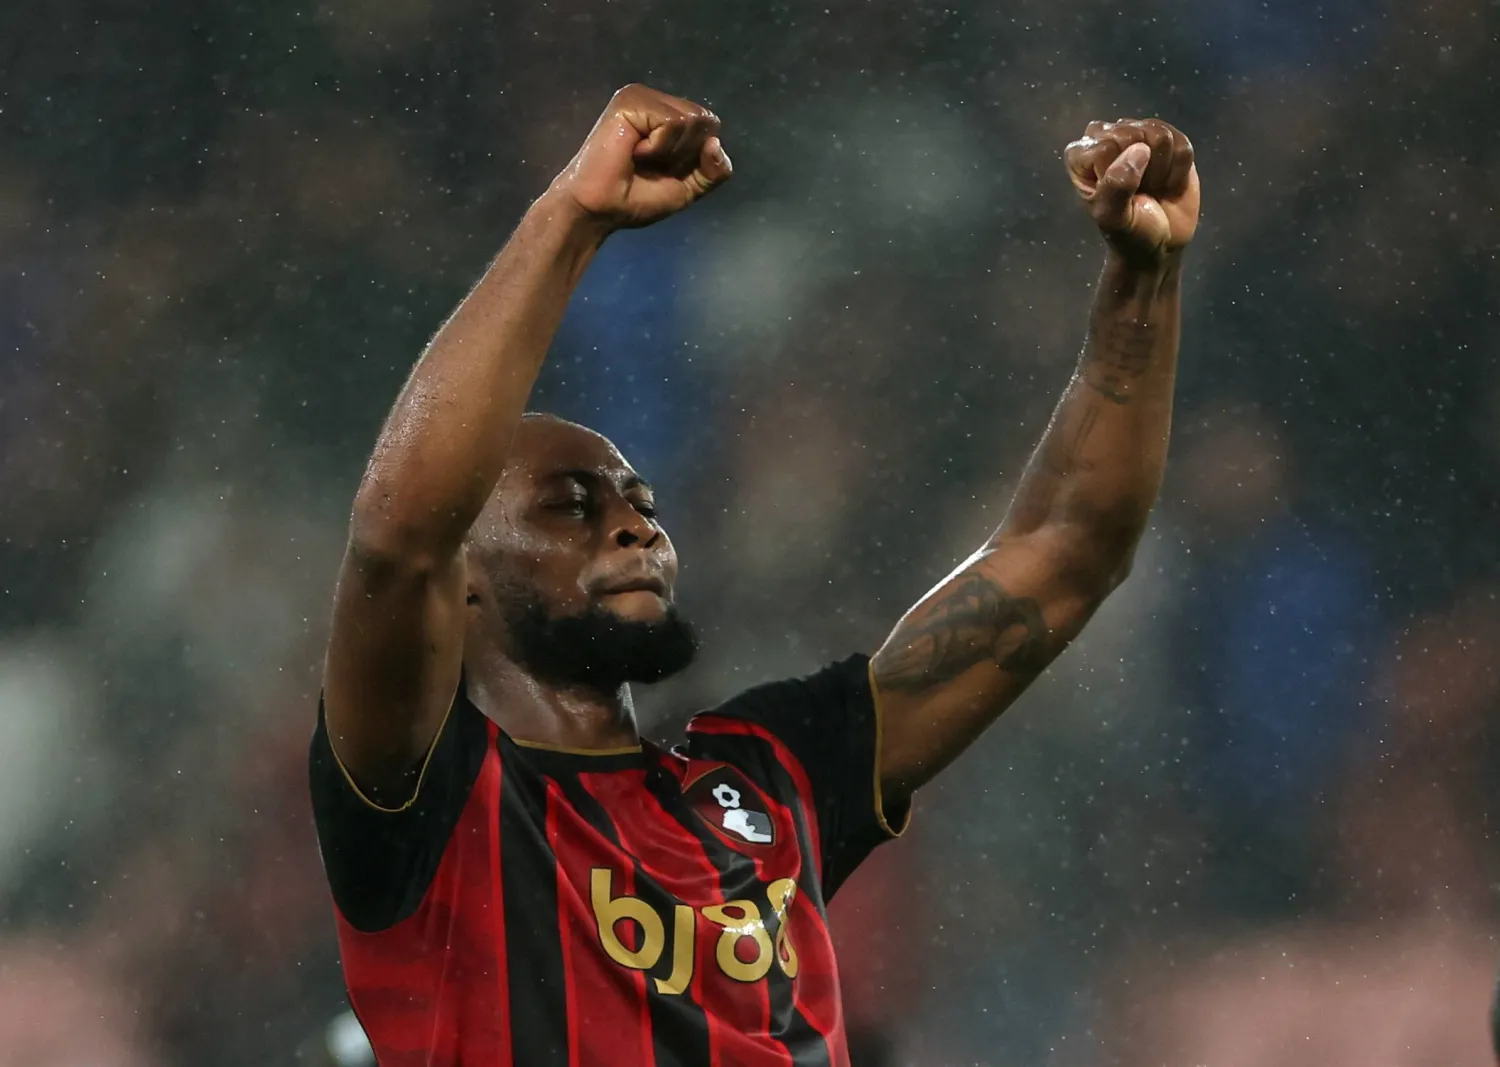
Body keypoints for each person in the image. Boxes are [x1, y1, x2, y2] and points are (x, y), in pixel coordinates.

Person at [309, 83, 1199, 1066]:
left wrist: (1141, 276)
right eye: (573, 504)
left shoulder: (768, 773)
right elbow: (398, 534)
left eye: (642, 502)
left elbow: (1070, 549)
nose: (633, 527)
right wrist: (570, 219)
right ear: (463, 584)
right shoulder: (429, 798)